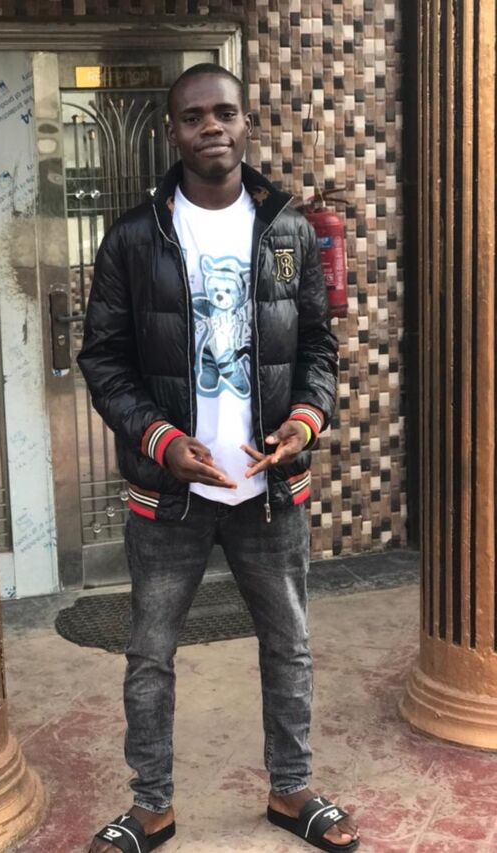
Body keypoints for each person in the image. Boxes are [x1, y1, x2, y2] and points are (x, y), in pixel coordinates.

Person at [78, 63, 359, 853]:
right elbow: (104, 358)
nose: (212, 126)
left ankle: (291, 788)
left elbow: (318, 345)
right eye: (195, 115)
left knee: (289, 643)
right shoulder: (135, 237)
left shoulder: (287, 230)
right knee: (149, 653)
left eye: (225, 112)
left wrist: (304, 421)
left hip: (269, 489)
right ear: (172, 131)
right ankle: (151, 807)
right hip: (169, 496)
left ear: (245, 124)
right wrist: (162, 442)